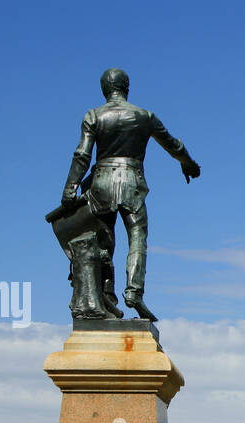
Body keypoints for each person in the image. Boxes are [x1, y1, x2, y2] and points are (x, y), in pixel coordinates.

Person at [62, 68, 201, 321]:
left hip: (102, 183)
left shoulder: (93, 115)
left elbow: (82, 155)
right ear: (127, 88)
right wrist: (188, 162)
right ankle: (134, 291)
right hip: (133, 182)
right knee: (137, 237)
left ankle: (106, 295)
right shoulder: (144, 116)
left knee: (103, 240)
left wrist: (69, 190)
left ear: (105, 90)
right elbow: (173, 144)